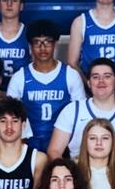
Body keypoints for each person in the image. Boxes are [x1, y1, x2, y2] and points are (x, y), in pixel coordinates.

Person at [48, 58, 115, 161]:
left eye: (107, 76)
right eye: (95, 77)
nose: (101, 81)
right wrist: (66, 171)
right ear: (89, 83)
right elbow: (54, 151)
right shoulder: (72, 110)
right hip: (81, 171)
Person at [7, 19, 86, 152]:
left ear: (55, 44)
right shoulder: (19, 78)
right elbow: (11, 117)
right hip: (29, 145)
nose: (42, 48)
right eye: (37, 42)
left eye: (47, 42)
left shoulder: (70, 75)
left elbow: (81, 116)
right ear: (30, 46)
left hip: (63, 144)